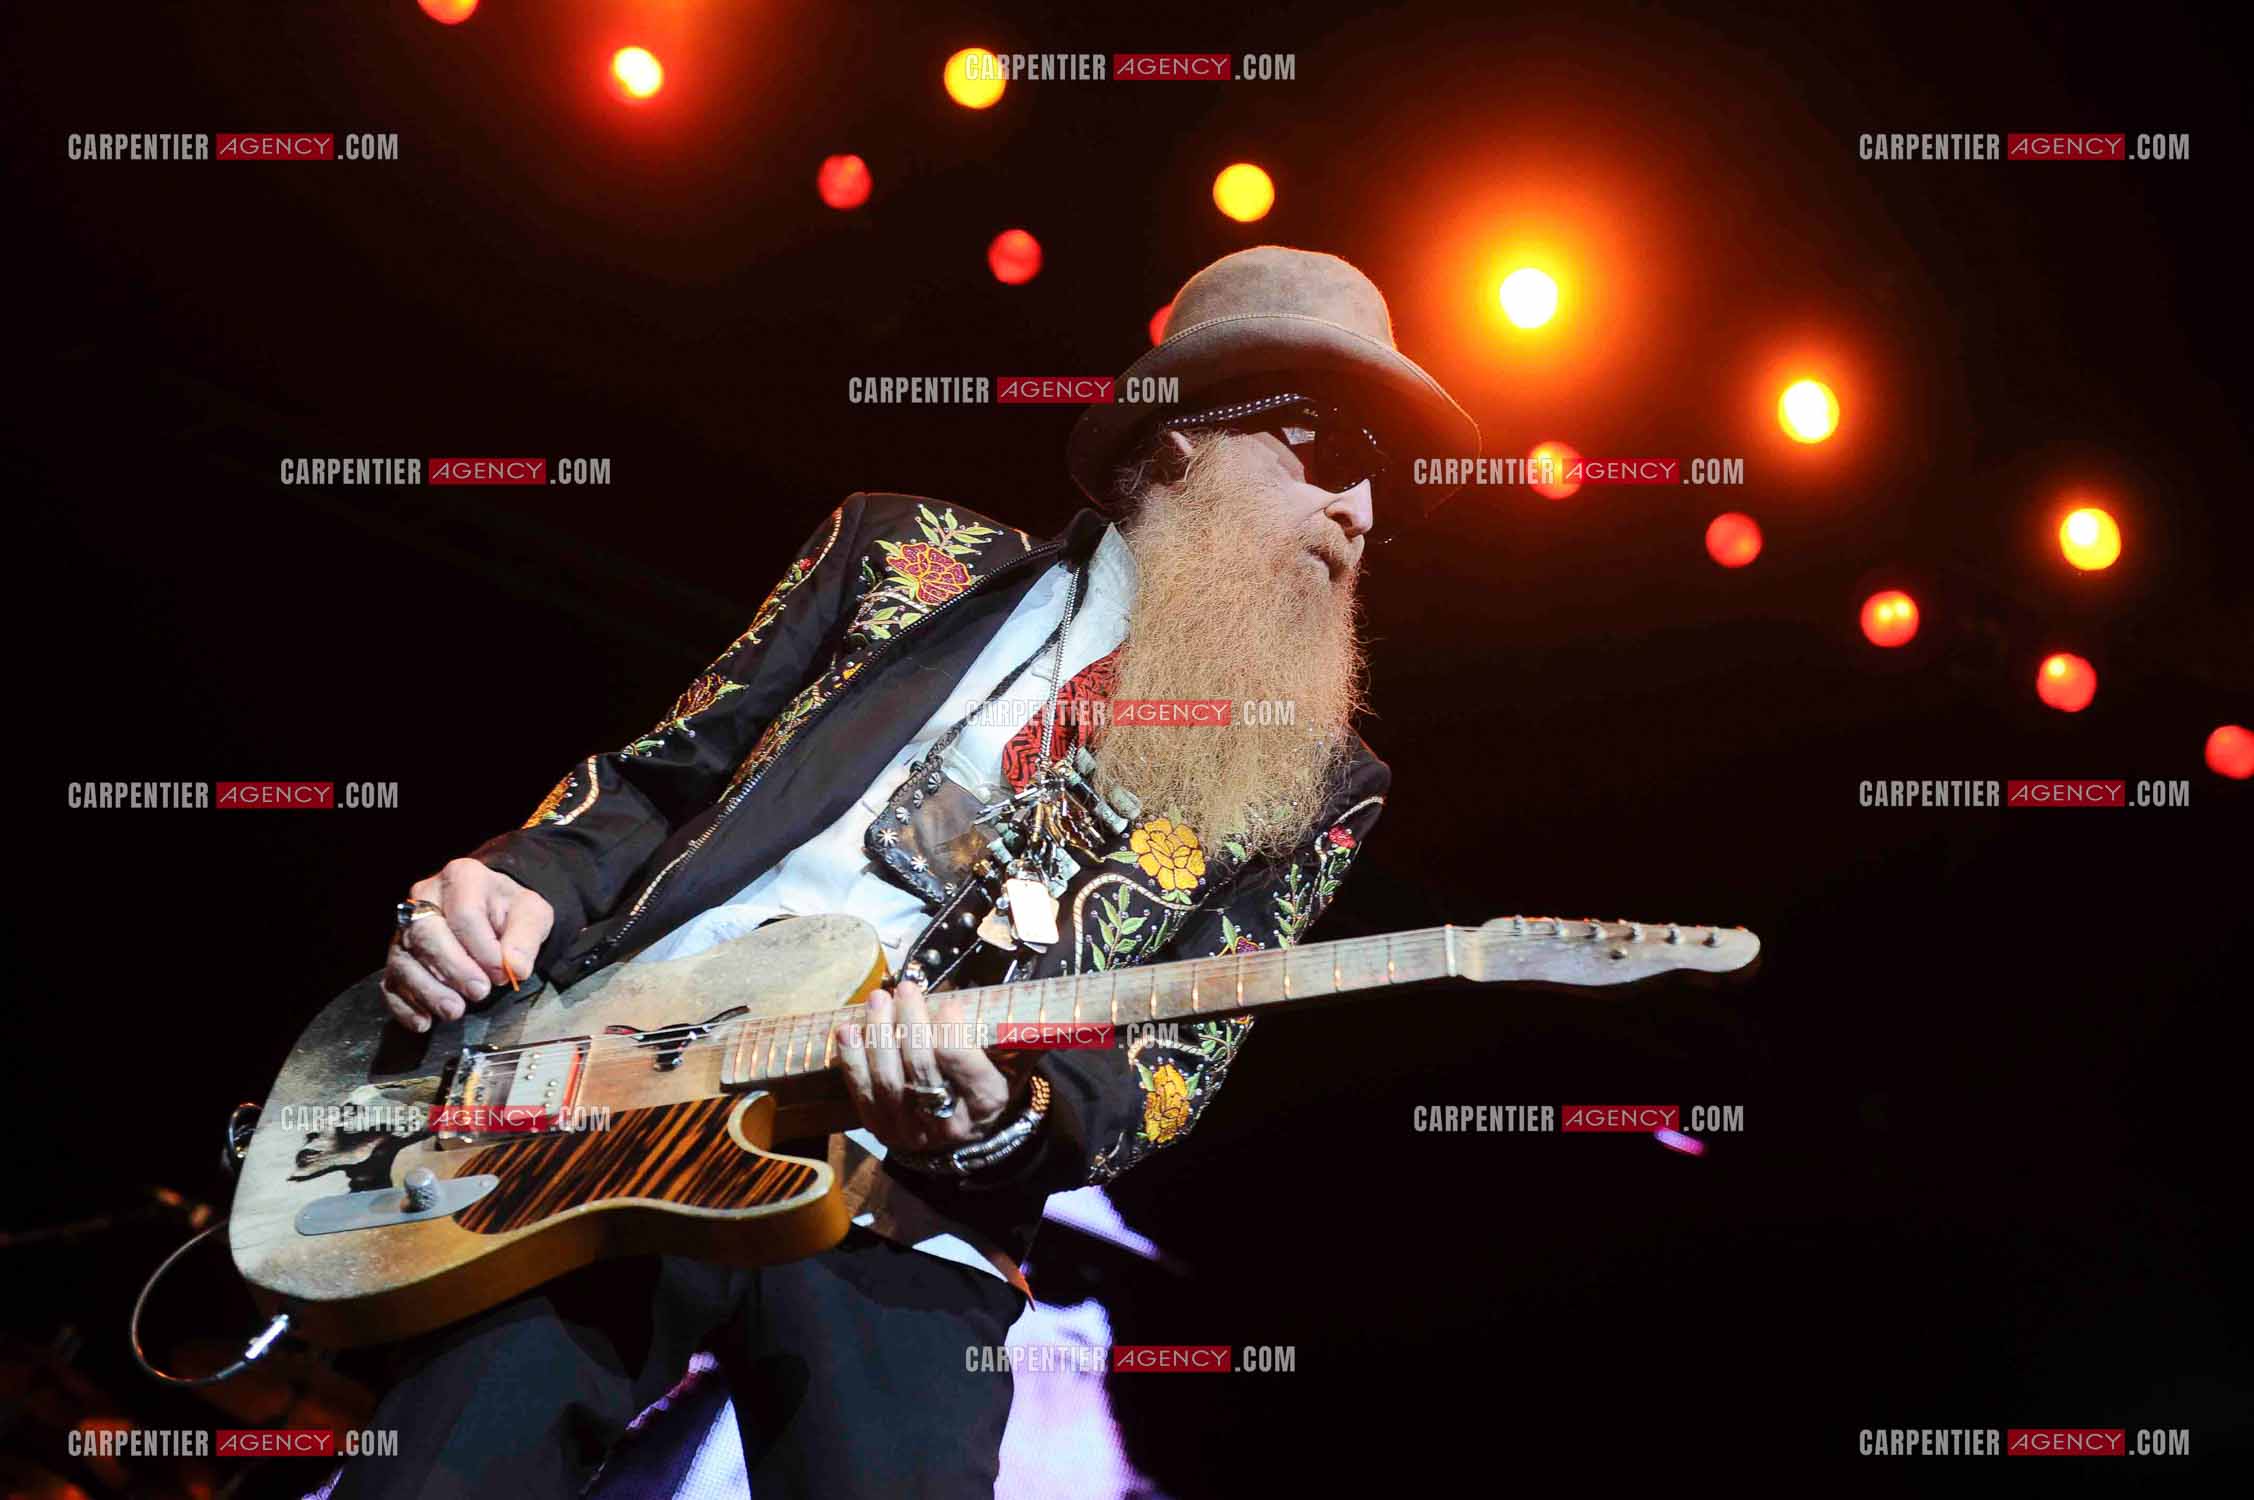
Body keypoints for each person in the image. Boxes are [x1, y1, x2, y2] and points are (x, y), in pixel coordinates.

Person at [343, 245, 1481, 1498]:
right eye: (1325, 451)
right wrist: (508, 883)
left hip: (911, 1213)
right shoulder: (899, 555)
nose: (1360, 516)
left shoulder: (1321, 784)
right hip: (624, 1101)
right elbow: (656, 785)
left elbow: (1169, 1069)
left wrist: (999, 1117)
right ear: (1179, 440)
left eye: (1384, 483)